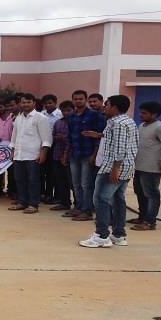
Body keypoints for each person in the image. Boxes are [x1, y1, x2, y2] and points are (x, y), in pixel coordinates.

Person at [79, 95, 139, 248]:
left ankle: (102, 235)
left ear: (115, 107)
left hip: (113, 167)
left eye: (107, 104)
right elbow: (123, 141)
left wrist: (115, 168)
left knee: (101, 199)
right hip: (126, 166)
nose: (105, 107)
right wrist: (99, 135)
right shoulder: (127, 121)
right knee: (118, 199)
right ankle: (118, 234)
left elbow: (119, 148)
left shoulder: (117, 123)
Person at [128, 101, 161, 231]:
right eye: (141, 112)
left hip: (151, 168)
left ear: (154, 114)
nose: (141, 115)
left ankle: (150, 221)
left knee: (151, 194)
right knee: (140, 192)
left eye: (144, 113)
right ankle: (142, 217)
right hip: (138, 166)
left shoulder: (159, 127)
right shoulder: (142, 125)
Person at [64, 90, 105, 222]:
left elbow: (100, 137)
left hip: (88, 154)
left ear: (85, 100)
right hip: (74, 154)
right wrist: (66, 153)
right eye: (75, 99)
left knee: (86, 184)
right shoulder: (72, 117)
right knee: (75, 184)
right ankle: (79, 207)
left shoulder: (95, 116)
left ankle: (87, 210)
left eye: (81, 99)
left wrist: (94, 155)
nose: (78, 101)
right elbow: (69, 137)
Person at [8, 94, 51, 213]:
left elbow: (46, 138)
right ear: (20, 104)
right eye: (23, 102)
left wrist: (43, 153)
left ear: (34, 103)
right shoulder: (18, 118)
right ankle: (22, 202)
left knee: (33, 180)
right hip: (19, 154)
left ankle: (33, 204)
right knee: (19, 179)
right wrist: (12, 152)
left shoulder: (40, 118)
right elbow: (14, 137)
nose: (25, 104)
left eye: (28, 102)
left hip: (34, 154)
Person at [50, 100, 74, 211]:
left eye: (68, 110)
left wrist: (64, 138)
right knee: (60, 180)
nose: (66, 113)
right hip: (57, 154)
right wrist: (57, 137)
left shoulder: (75, 122)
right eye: (64, 110)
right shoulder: (58, 122)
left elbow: (73, 139)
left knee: (73, 182)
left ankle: (78, 204)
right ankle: (64, 202)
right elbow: (53, 136)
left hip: (71, 156)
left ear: (73, 110)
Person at [40, 94, 62, 204]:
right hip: (43, 147)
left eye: (50, 103)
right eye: (46, 103)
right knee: (44, 172)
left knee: (55, 172)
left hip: (56, 147)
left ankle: (57, 196)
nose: (48, 105)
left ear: (55, 103)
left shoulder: (60, 114)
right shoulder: (41, 115)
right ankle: (46, 194)